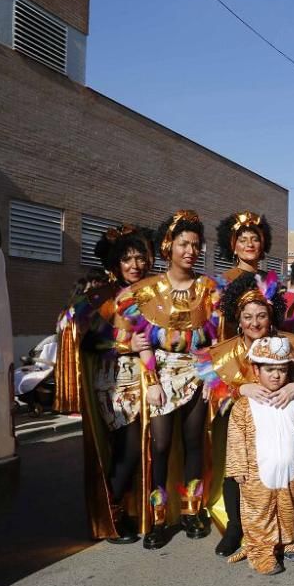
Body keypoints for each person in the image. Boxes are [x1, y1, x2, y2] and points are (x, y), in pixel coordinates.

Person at [113, 210, 221, 549]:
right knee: (159, 448)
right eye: (183, 243)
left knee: (193, 445)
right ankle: (158, 518)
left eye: (195, 244)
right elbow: (125, 333)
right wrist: (147, 371)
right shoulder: (145, 290)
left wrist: (210, 377)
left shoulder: (209, 288)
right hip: (158, 376)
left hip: (197, 374)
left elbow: (216, 339)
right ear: (168, 246)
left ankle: (191, 511)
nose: (190, 250)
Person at [197, 271, 294, 557]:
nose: (255, 323)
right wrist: (239, 390)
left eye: (261, 316)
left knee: (286, 473)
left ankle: (289, 528)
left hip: (280, 423)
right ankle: (236, 527)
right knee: (236, 470)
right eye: (248, 317)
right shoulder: (224, 352)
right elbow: (211, 387)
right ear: (239, 319)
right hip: (242, 426)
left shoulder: (285, 342)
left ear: (270, 317)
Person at [56, 225, 154, 544]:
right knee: (126, 449)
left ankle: (131, 509)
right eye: (127, 259)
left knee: (140, 448)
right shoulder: (101, 294)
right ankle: (112, 514)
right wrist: (126, 344)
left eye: (141, 258)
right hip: (115, 383)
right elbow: (84, 334)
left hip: (147, 381)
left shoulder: (153, 292)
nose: (135, 265)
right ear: (116, 263)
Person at [226, 336, 294, 575]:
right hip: (257, 474)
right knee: (259, 511)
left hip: (290, 472)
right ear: (256, 369)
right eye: (269, 369)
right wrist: (237, 467)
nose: (276, 375)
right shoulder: (244, 405)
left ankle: (285, 541)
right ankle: (260, 551)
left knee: (287, 507)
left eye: (282, 369)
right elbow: (235, 435)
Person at [215, 211, 273, 285]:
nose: (250, 244)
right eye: (243, 240)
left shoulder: (271, 281)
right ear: (234, 248)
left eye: (255, 240)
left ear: (262, 246)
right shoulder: (224, 281)